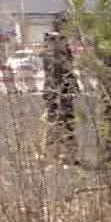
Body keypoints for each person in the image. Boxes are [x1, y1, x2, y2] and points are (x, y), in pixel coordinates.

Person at [40, 21, 78, 163]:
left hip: (59, 92)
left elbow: (68, 70)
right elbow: (59, 71)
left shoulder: (54, 48)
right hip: (57, 92)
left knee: (63, 122)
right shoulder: (56, 49)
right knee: (58, 122)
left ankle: (62, 154)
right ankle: (55, 154)